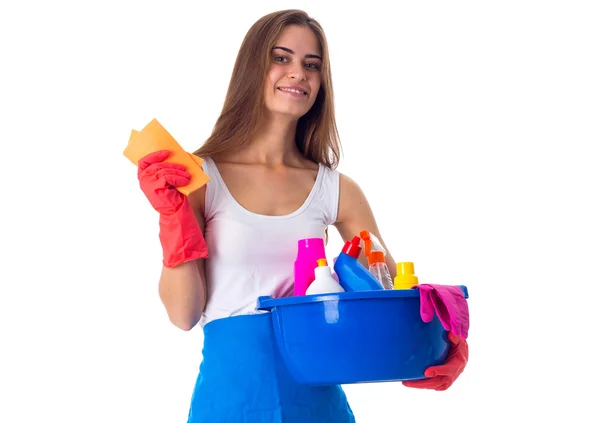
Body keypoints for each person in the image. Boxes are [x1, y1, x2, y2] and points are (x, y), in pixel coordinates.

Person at [136, 9, 468, 423]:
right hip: (229, 401)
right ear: (252, 68)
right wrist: (175, 219)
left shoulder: (336, 189)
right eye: (281, 58)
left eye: (312, 65)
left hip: (316, 406)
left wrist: (446, 335)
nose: (298, 73)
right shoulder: (201, 177)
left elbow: (388, 297)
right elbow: (183, 314)